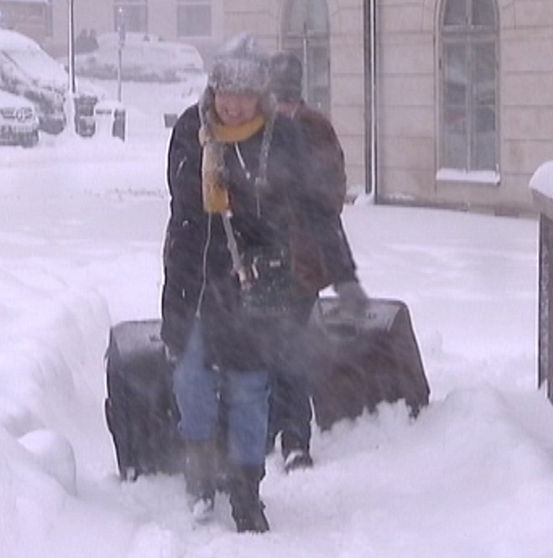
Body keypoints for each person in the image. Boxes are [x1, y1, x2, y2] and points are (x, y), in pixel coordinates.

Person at [160, 35, 365, 533]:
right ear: (213, 89)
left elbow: (317, 210)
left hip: (257, 281)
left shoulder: (282, 137)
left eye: (245, 94)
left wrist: (345, 276)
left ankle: (247, 491)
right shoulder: (193, 129)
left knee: (250, 388)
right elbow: (185, 200)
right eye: (225, 92)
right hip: (195, 276)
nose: (233, 104)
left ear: (261, 95)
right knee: (192, 379)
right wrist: (229, 183)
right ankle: (201, 473)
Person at [265, 50, 366, 471]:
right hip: (272, 259)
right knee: (274, 347)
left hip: (296, 260)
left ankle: (291, 436)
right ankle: (282, 432)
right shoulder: (286, 127)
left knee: (283, 347)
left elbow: (328, 198)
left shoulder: (302, 128)